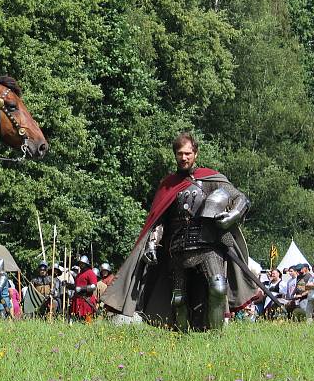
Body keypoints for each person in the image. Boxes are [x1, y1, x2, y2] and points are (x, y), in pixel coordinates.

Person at [102, 132, 256, 330]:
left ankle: (217, 338)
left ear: (195, 154)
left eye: (188, 153)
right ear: (175, 155)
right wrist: (152, 243)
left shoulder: (211, 179)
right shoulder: (168, 185)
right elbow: (159, 220)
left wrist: (233, 215)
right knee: (178, 299)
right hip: (177, 248)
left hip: (207, 246)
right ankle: (183, 337)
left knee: (217, 288)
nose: (184, 158)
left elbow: (240, 199)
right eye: (179, 154)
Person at [72, 256, 97, 321]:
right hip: (78, 300)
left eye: (82, 263)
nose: (81, 265)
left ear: (86, 264)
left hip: (86, 300)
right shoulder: (79, 274)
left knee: (87, 321)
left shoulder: (90, 273)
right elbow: (76, 287)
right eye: (80, 263)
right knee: (78, 321)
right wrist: (67, 285)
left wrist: (81, 289)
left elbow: (93, 286)